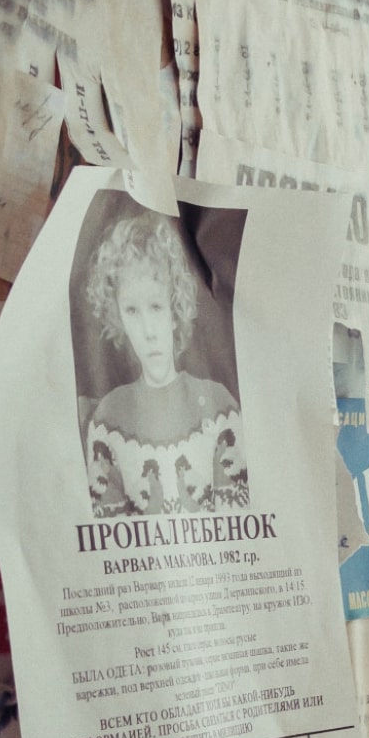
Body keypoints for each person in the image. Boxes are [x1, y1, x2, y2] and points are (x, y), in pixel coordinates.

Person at [79, 211, 247, 516]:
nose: (148, 330)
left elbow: (239, 523)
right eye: (132, 310)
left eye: (156, 307)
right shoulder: (108, 418)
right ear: (117, 316)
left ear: (174, 308)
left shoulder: (218, 404)